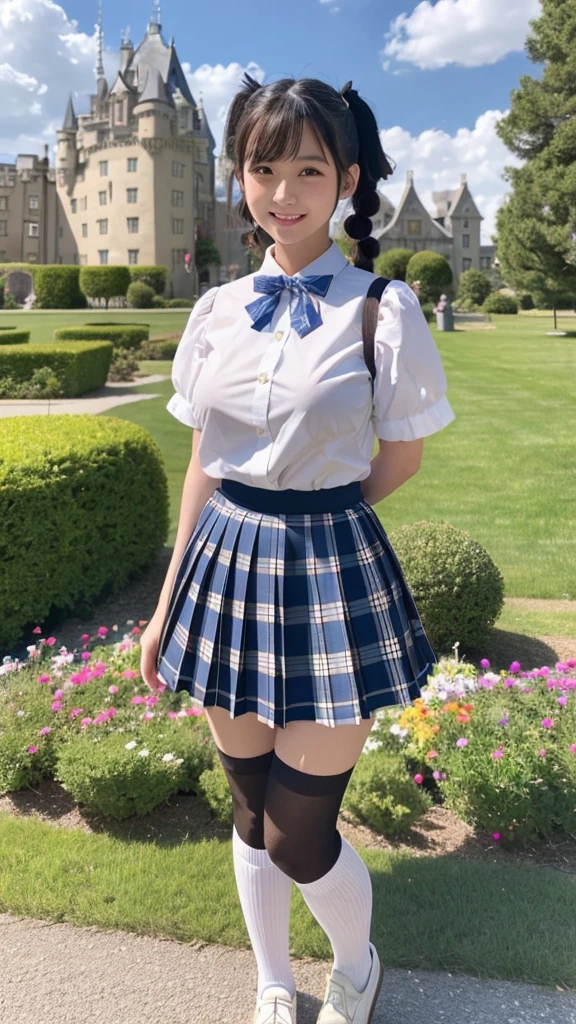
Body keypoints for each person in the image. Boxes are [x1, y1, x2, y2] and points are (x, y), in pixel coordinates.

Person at [140, 74, 456, 1024]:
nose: (284, 190)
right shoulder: (216, 311)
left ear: (347, 178)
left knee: (298, 831)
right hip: (224, 566)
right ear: (241, 177)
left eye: (308, 168)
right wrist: (164, 607)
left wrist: (323, 514)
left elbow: (401, 453)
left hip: (327, 570)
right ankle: (274, 981)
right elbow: (202, 460)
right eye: (263, 168)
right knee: (247, 811)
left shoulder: (382, 309)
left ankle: (356, 966)